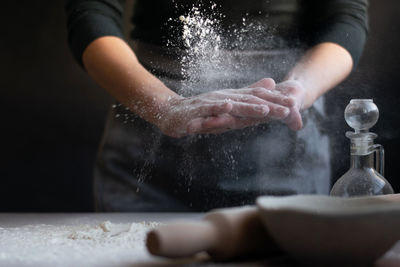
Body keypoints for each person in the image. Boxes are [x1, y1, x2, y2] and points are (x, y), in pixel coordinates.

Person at [65, 0, 368, 211]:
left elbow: (346, 17)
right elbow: (90, 10)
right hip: (150, 141)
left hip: (281, 148)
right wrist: (164, 104)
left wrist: (300, 88)